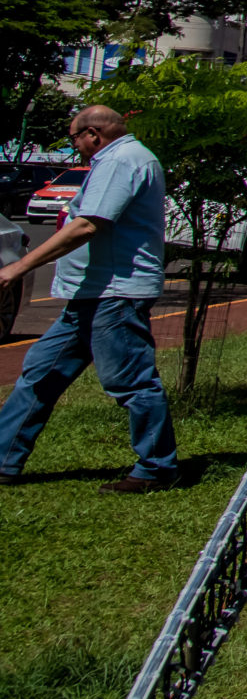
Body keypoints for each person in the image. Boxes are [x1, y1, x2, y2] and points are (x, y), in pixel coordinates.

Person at [0, 104, 177, 492]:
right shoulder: (119, 159)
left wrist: (17, 268)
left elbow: (87, 225)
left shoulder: (121, 161)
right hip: (92, 293)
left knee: (130, 382)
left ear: (93, 134)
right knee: (39, 374)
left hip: (115, 293)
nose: (75, 148)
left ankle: (156, 468)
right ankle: (4, 460)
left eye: (74, 139)